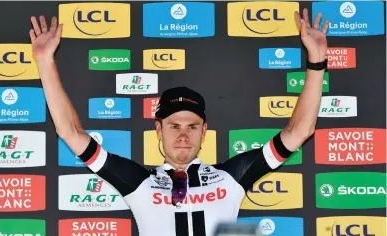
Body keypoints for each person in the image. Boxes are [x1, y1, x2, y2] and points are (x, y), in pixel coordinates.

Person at [29, 8, 329, 236]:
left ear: (204, 131)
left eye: (192, 126)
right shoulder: (139, 183)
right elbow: (70, 132)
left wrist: (317, 61)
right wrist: (44, 61)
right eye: (174, 126)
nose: (183, 135)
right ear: (158, 129)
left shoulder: (232, 176)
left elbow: (300, 130)